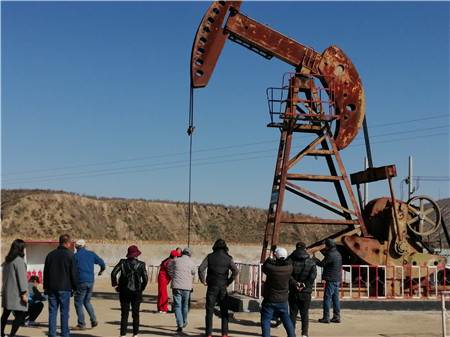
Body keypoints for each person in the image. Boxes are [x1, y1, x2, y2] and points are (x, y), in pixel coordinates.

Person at [198, 239, 238, 337]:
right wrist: (228, 282)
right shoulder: (228, 258)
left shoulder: (209, 257)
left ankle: (208, 334)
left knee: (209, 311)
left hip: (211, 286)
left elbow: (201, 268)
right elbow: (235, 271)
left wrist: (203, 280)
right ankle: (224, 334)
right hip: (223, 286)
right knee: (224, 311)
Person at [44, 234, 78, 337]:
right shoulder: (70, 255)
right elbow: (73, 273)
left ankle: (52, 333)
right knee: (64, 313)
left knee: (52, 312)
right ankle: (65, 334)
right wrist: (75, 287)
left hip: (52, 287)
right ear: (68, 243)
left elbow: (46, 272)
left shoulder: (50, 255)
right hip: (65, 287)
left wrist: (46, 287)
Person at [111, 245, 148, 337]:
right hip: (137, 291)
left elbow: (113, 273)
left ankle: (123, 334)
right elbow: (146, 278)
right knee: (136, 314)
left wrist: (115, 285)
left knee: (124, 314)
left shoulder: (122, 262)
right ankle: (135, 334)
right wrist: (141, 287)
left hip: (124, 291)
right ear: (137, 254)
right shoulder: (141, 264)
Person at [260, 247, 296, 337]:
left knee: (266, 319)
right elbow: (287, 262)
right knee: (286, 318)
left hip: (270, 297)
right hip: (283, 298)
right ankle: (292, 335)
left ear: (276, 255)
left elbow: (264, 267)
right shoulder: (289, 268)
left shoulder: (271, 268)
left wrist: (270, 258)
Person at [72, 239, 106, 330]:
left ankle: (81, 324)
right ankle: (93, 318)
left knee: (78, 303)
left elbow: (71, 271)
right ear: (84, 246)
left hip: (81, 281)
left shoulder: (75, 256)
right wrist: (101, 270)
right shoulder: (91, 254)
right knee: (87, 301)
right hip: (90, 281)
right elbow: (102, 263)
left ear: (76, 247)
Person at [288, 242, 317, 337]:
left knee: (293, 313)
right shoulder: (311, 261)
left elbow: (288, 274)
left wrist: (295, 283)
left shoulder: (289, 260)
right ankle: (304, 334)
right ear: (305, 249)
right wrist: (304, 285)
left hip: (293, 290)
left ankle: (291, 334)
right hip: (306, 291)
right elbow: (312, 276)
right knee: (304, 314)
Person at [1, 239, 29, 337]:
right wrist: (24, 293)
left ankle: (1, 333)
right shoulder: (19, 261)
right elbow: (22, 278)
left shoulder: (7, 261)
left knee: (5, 314)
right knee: (19, 315)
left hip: (8, 291)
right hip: (17, 293)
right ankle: (12, 335)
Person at [167, 247, 196, 333]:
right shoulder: (191, 262)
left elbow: (170, 269)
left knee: (177, 305)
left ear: (182, 253)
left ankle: (180, 324)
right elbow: (194, 272)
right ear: (190, 254)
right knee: (185, 305)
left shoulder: (176, 261)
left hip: (176, 285)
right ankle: (184, 321)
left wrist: (173, 276)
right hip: (186, 287)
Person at [314, 238, 343, 324]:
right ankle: (336, 316)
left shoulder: (330, 254)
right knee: (335, 298)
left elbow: (322, 264)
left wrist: (315, 260)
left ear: (328, 246)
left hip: (331, 279)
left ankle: (326, 317)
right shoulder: (338, 254)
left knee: (327, 298)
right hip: (337, 279)